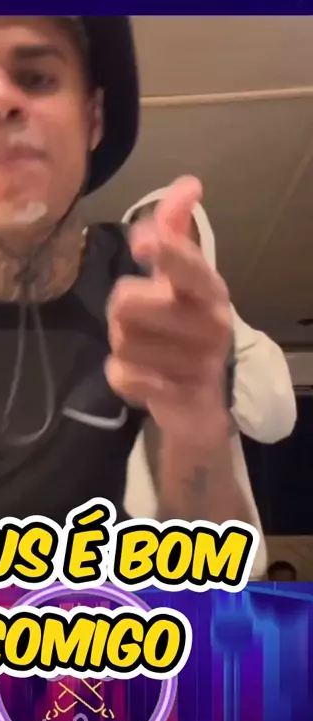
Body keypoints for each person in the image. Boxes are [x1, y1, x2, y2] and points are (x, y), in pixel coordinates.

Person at [0, 16, 293, 580]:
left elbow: (215, 563)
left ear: (93, 119)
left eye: (36, 77)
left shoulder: (154, 302)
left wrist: (198, 429)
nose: (1, 101)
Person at [121, 188, 296, 579]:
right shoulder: (100, 347)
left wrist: (217, 315)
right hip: (129, 582)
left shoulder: (233, 343)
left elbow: (275, 422)